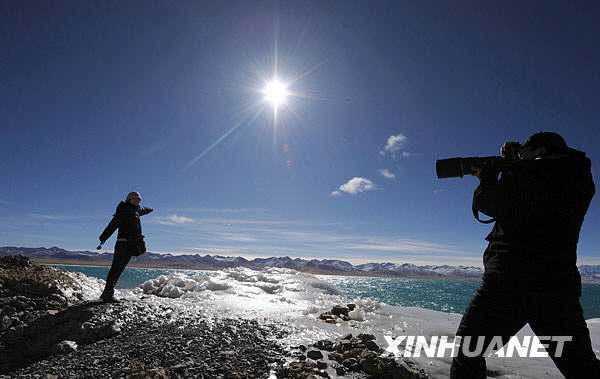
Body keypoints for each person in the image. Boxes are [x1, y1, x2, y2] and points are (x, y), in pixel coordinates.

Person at [450, 132, 600, 378]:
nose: (520, 157)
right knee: (582, 367)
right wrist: (514, 165)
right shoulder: (579, 179)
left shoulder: (531, 175)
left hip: (507, 284)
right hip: (557, 288)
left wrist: (488, 177)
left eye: (524, 152)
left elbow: (491, 204)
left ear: (540, 151)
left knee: (468, 352)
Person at [97, 192, 153, 302]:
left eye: (139, 199)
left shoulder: (136, 210)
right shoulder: (123, 211)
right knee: (116, 268)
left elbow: (142, 210)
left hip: (131, 245)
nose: (138, 201)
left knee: (120, 269)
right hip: (122, 244)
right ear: (130, 199)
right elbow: (112, 225)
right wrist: (103, 238)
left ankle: (108, 293)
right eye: (136, 199)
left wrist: (149, 209)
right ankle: (107, 293)